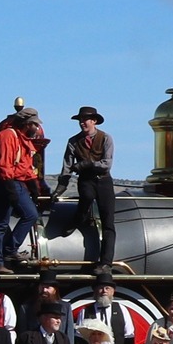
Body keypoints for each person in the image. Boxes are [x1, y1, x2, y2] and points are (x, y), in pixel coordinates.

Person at [52, 105, 118, 272]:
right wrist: (61, 187)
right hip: (86, 180)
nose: (82, 123)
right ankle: (78, 218)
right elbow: (67, 166)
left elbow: (107, 163)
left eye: (85, 120)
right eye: (80, 120)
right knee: (86, 198)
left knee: (108, 222)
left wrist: (88, 164)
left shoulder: (106, 138)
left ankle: (105, 263)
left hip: (104, 181)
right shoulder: (73, 141)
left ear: (94, 121)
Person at [0, 103, 48, 269]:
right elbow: (4, 165)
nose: (37, 127)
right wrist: (10, 190)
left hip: (14, 181)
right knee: (1, 222)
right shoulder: (8, 136)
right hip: (3, 182)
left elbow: (26, 168)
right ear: (26, 124)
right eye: (35, 124)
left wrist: (35, 187)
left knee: (29, 215)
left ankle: (9, 250)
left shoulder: (24, 140)